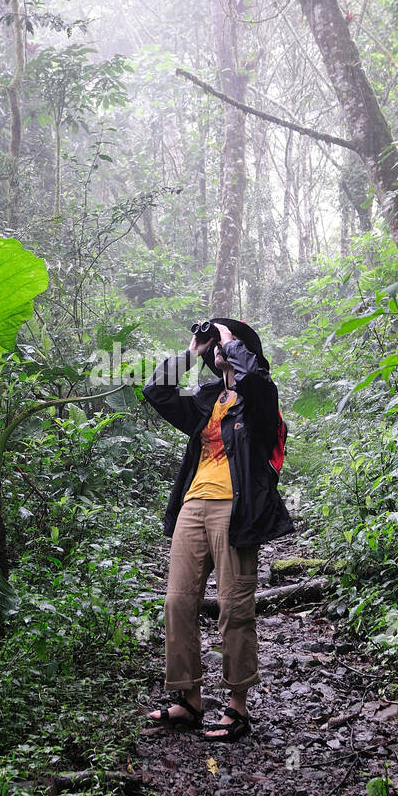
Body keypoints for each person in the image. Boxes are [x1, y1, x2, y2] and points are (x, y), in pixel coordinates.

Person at [141, 317, 294, 741]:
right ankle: (188, 700)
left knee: (234, 607)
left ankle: (237, 707)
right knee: (177, 602)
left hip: (236, 509)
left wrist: (231, 342)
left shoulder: (260, 400)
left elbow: (258, 383)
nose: (219, 345)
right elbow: (155, 390)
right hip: (193, 504)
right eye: (217, 340)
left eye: (226, 340)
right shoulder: (208, 398)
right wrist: (193, 350)